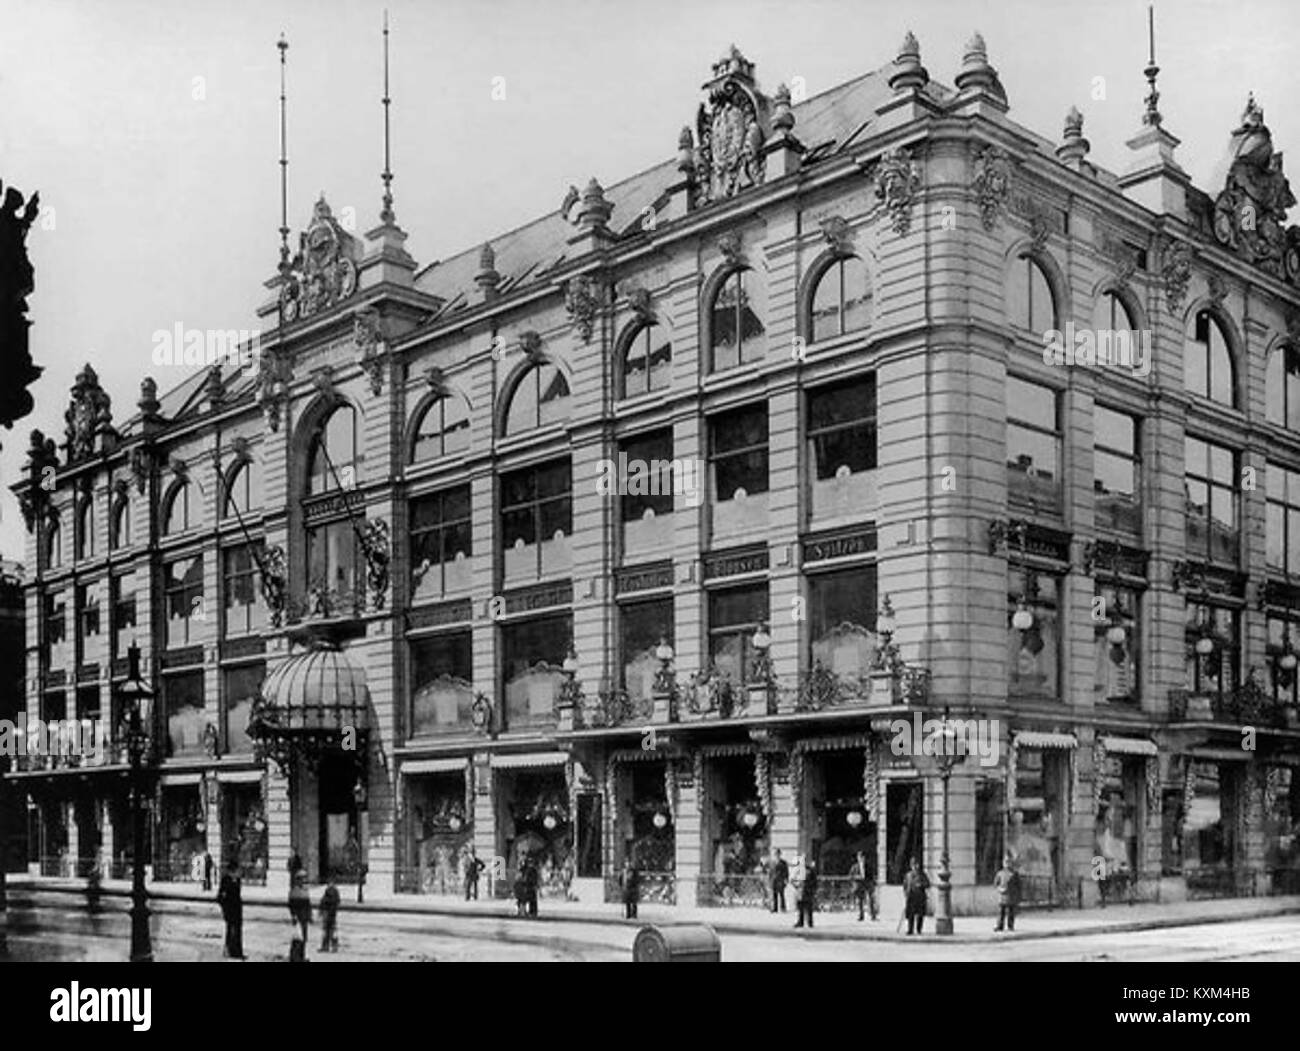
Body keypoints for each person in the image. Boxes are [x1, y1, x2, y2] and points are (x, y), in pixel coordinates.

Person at [217, 861, 244, 959]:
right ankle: (228, 950)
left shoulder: (237, 880)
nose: (240, 872)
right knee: (230, 930)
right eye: (238, 870)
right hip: (230, 910)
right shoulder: (226, 880)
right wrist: (225, 908)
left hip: (237, 910)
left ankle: (237, 952)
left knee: (237, 931)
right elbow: (220, 897)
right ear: (233, 870)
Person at [903, 857, 930, 935]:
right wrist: (906, 893)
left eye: (916, 864)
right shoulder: (908, 875)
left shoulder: (922, 874)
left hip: (920, 897)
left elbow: (927, 884)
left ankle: (919, 929)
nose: (915, 866)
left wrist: (921, 885)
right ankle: (910, 929)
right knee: (910, 914)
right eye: (913, 864)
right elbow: (905, 885)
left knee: (920, 915)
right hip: (911, 897)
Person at [993, 853, 1020, 932]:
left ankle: (1010, 926)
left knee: (1011, 912)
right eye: (1006, 862)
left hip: (1011, 895)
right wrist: (999, 889)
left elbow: (1018, 885)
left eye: (1009, 862)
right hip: (1002, 895)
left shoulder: (1015, 874)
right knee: (1001, 912)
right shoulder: (1000, 873)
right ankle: (1000, 926)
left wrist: (1017, 895)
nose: (1007, 864)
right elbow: (996, 884)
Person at [289, 870, 311, 961]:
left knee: (304, 938)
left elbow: (308, 905)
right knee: (298, 938)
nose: (305, 881)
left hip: (304, 917)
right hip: (299, 917)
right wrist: (294, 916)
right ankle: (296, 957)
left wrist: (310, 915)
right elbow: (292, 906)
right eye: (303, 879)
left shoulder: (303, 890)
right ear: (298, 880)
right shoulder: (295, 891)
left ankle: (301, 955)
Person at [851, 849, 877, 921]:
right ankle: (861, 915)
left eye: (862, 857)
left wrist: (872, 883)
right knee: (860, 901)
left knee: (871, 900)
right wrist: (857, 877)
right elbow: (851, 876)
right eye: (859, 857)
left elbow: (872, 875)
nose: (861, 859)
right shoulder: (855, 867)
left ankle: (873, 915)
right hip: (859, 885)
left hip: (868, 884)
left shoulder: (868, 865)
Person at [794, 860, 818, 928]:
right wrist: (796, 886)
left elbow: (814, 881)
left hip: (807, 891)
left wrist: (813, 890)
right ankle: (800, 922)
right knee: (800, 908)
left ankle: (810, 922)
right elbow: (795, 880)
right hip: (801, 891)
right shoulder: (799, 871)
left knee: (809, 908)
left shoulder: (810, 870)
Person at [319, 881, 341, 952]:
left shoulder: (329, 892)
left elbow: (324, 903)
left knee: (328, 931)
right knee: (331, 931)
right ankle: (332, 946)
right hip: (330, 914)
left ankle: (327, 946)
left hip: (329, 914)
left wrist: (322, 911)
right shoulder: (333, 893)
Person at [769, 848, 789, 913]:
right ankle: (775, 908)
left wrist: (786, 879)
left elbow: (786, 872)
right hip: (774, 880)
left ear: (780, 854)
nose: (777, 855)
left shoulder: (783, 862)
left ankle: (783, 908)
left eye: (778, 854)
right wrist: (770, 880)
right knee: (774, 895)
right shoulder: (772, 862)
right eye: (776, 854)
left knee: (781, 895)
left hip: (780, 880)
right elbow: (770, 872)